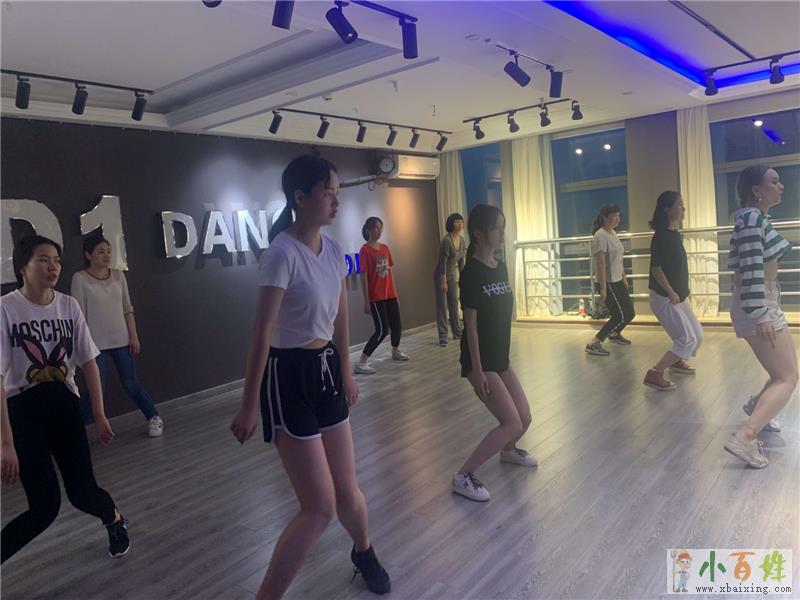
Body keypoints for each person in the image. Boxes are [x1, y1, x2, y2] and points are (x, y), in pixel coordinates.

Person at [229, 155, 390, 599]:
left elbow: (340, 318)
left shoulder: (334, 252)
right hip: (288, 378)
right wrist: (248, 406)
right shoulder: (281, 253)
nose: (336, 202)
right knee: (318, 507)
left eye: (338, 193)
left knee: (347, 491)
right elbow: (262, 332)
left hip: (325, 372)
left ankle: (364, 550)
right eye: (328, 193)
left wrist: (345, 373)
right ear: (300, 198)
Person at [1, 235, 129, 563]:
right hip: (23, 410)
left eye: (56, 260)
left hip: (63, 406)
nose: (53, 267)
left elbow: (88, 362)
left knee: (83, 492)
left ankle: (114, 519)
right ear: (23, 267)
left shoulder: (68, 306)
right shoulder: (6, 309)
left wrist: (99, 414)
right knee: (44, 507)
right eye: (43, 260)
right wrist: (6, 442)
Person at [451, 204, 537, 503]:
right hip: (480, 360)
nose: (502, 233)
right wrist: (477, 371)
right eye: (496, 228)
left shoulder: (499, 265)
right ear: (478, 233)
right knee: (511, 423)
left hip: (500, 357)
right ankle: (462, 476)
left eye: (503, 227)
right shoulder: (471, 273)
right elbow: (471, 327)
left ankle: (508, 451)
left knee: (524, 417)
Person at [724, 165, 797, 468]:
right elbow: (752, 268)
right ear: (757, 190)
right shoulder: (752, 219)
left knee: (784, 371)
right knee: (787, 378)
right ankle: (746, 436)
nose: (781, 186)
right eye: (774, 182)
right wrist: (760, 314)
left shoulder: (755, 218)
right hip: (758, 301)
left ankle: (758, 408)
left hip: (763, 299)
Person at [71, 235, 163, 437]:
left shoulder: (118, 275)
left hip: (121, 341)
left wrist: (134, 335)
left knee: (131, 385)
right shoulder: (80, 278)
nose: (106, 256)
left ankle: (153, 416)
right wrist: (81, 345)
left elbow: (127, 308)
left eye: (108, 251)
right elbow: (78, 316)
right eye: (100, 252)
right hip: (95, 345)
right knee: (96, 391)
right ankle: (74, 432)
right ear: (88, 255)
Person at [643, 191, 703, 391]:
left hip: (677, 297)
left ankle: (676, 361)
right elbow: (656, 268)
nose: (683, 208)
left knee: (698, 335)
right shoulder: (660, 237)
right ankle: (655, 373)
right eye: (679, 204)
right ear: (667, 209)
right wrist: (670, 291)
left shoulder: (675, 234)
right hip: (664, 297)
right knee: (687, 339)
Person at [354, 216, 409, 375]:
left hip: (389, 294)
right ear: (368, 229)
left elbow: (389, 273)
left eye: (381, 228)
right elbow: (363, 276)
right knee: (382, 330)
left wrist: (395, 294)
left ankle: (395, 350)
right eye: (376, 228)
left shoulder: (385, 248)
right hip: (376, 297)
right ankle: (361, 362)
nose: (379, 231)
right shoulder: (364, 250)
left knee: (396, 325)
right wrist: (366, 301)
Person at [585, 203, 635, 356]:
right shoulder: (600, 236)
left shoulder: (613, 233)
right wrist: (603, 288)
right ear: (605, 217)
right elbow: (600, 263)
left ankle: (615, 333)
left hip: (617, 280)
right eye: (614, 216)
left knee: (630, 313)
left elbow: (618, 258)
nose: (617, 219)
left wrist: (624, 276)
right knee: (618, 315)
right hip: (608, 282)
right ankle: (594, 343)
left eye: (618, 216)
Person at [434, 213, 466, 346]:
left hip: (452, 275)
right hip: (440, 275)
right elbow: (443, 262)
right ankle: (443, 336)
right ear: (451, 224)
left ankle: (457, 332)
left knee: (454, 303)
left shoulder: (462, 240)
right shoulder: (446, 241)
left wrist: (463, 279)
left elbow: (461, 262)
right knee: (442, 305)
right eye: (457, 221)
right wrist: (443, 282)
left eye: (461, 221)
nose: (460, 224)